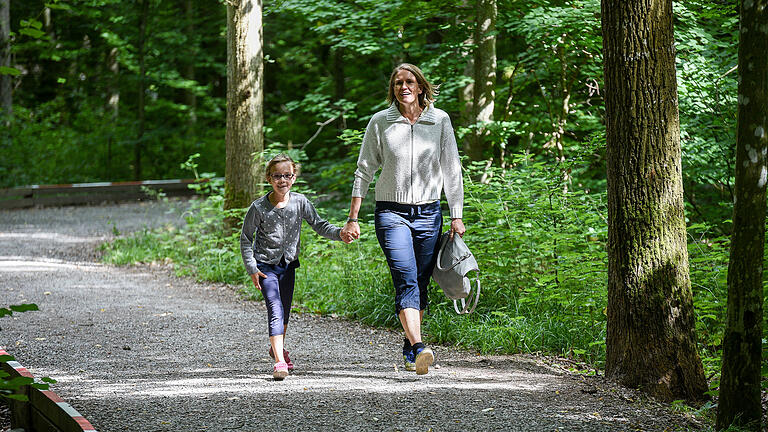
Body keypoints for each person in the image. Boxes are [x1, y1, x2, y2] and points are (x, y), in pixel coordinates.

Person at [341, 63, 466, 375]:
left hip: (429, 213)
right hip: (390, 212)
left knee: (421, 283)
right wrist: (353, 217)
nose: (403, 87)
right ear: (393, 88)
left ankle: (412, 347)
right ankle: (421, 347)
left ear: (421, 87)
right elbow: (364, 170)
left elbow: (452, 170)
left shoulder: (440, 120)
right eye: (398, 83)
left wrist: (456, 215)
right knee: (405, 277)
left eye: (409, 81)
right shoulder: (381, 122)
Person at [240, 154, 353, 380]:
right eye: (277, 176)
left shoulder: (300, 202)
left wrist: (341, 233)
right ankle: (279, 362)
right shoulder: (259, 207)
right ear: (269, 178)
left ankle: (276, 348)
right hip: (265, 266)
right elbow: (245, 238)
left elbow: (319, 225)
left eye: (287, 175)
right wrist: (252, 267)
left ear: (294, 177)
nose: (283, 180)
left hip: (288, 265)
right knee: (275, 308)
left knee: (285, 312)